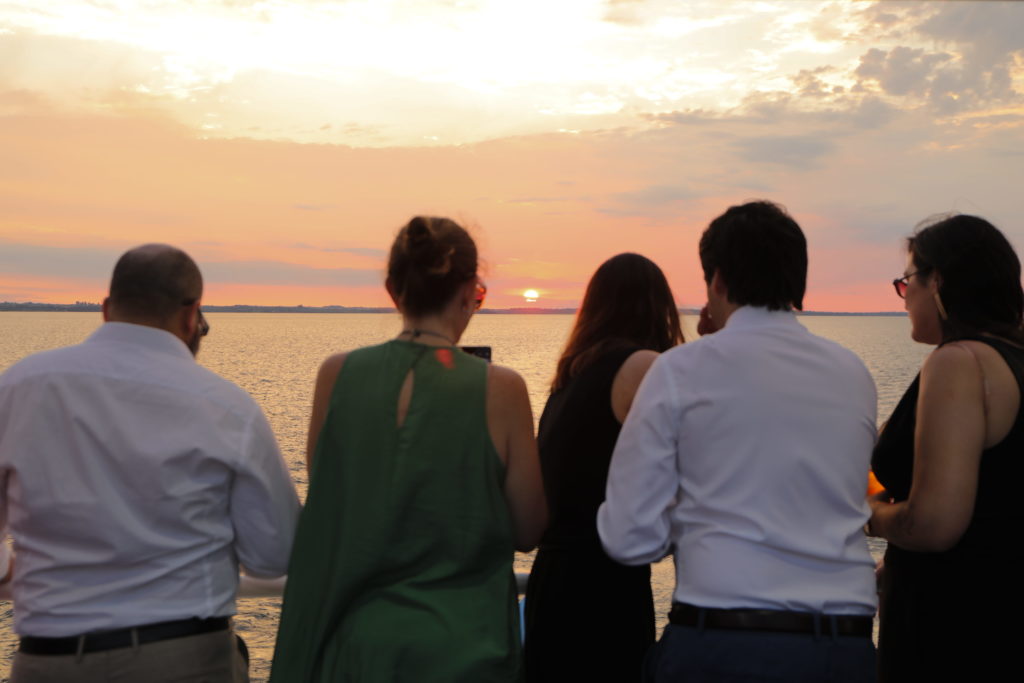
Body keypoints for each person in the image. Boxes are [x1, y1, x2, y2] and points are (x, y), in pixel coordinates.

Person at [598, 201, 878, 682]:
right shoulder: (853, 373)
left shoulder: (679, 370)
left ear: (718, 281)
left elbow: (629, 538)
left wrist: (687, 513)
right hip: (843, 647)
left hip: (721, 642)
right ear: (797, 282)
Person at [0, 244, 301, 683]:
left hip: (49, 661)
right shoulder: (228, 407)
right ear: (190, 316)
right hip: (184, 659)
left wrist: (9, 572)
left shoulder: (19, 387)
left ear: (106, 309)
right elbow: (273, 557)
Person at [270, 216, 547, 682]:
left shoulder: (335, 376)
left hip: (356, 650)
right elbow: (528, 528)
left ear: (393, 291)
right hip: (465, 651)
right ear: (469, 292)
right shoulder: (503, 389)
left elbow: (331, 500)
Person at [868, 214, 1024, 682]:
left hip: (951, 631)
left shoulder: (959, 363)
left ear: (937, 281)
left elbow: (934, 525)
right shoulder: (1013, 360)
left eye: (907, 282)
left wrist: (868, 514)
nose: (903, 297)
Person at [524, 253, 683, 682]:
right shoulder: (643, 366)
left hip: (551, 582)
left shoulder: (568, 377)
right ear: (658, 306)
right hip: (603, 586)